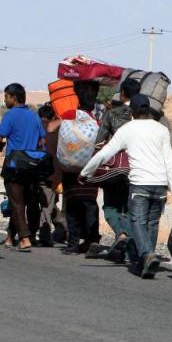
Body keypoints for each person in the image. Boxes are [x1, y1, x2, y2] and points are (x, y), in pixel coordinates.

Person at [81, 95, 172, 278]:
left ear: (132, 111)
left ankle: (146, 254)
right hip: (160, 185)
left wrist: (86, 172)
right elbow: (169, 160)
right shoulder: (161, 129)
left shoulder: (127, 129)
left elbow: (105, 153)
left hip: (139, 185)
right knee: (152, 224)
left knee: (137, 222)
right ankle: (146, 264)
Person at [0, 83, 45, 252]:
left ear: (13, 97)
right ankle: (11, 238)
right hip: (32, 166)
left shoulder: (10, 116)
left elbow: (1, 135)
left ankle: (25, 238)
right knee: (20, 201)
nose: (5, 100)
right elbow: (42, 141)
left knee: (16, 202)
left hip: (14, 165)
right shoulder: (34, 116)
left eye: (6, 96)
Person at [60, 81, 102, 255]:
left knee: (72, 205)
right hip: (90, 169)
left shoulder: (69, 114)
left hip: (70, 168)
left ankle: (72, 244)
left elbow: (58, 130)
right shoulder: (98, 118)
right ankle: (91, 239)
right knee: (89, 204)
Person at [36, 103, 66, 246]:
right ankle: (63, 228)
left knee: (46, 205)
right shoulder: (59, 131)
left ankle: (45, 236)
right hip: (55, 174)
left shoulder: (37, 131)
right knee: (49, 204)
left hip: (41, 174)